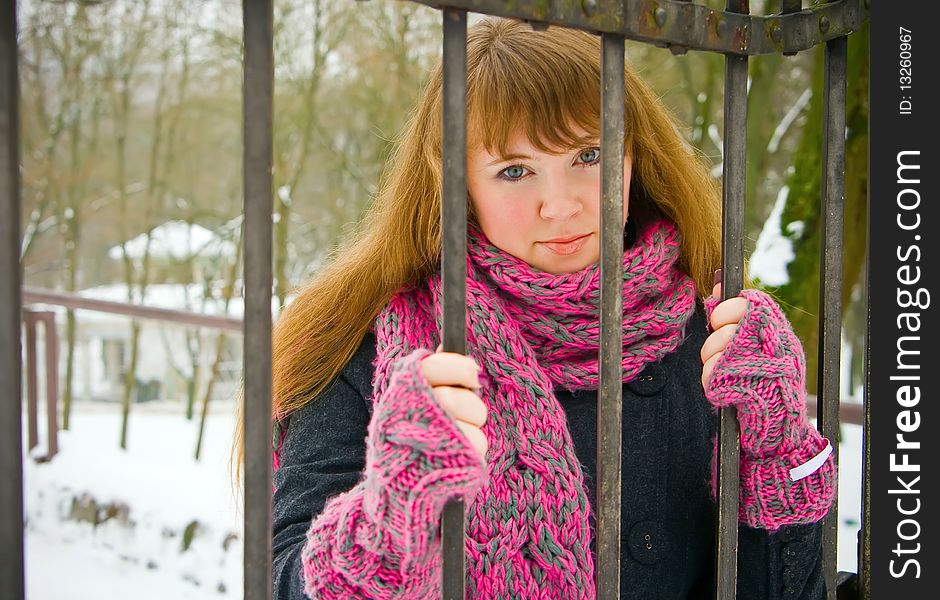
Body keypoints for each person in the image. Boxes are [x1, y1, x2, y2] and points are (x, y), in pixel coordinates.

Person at [257, 17, 836, 600]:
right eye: (514, 171)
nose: (559, 206)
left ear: (632, 156)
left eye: (588, 155)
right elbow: (283, 582)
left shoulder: (712, 335)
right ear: (456, 183)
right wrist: (392, 514)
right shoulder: (365, 344)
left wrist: (777, 442)